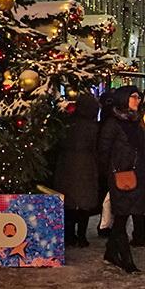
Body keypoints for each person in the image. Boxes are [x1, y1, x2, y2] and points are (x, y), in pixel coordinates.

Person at [98, 85, 145, 273]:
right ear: (124, 99)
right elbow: (103, 152)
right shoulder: (113, 124)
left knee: (122, 217)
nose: (138, 100)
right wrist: (113, 171)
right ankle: (127, 261)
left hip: (138, 176)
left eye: (138, 97)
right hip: (121, 177)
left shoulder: (137, 122)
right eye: (134, 97)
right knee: (122, 216)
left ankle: (110, 252)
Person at [53, 91, 103, 248]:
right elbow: (96, 148)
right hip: (86, 164)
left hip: (66, 163)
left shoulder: (68, 123)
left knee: (68, 201)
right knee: (84, 202)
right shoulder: (93, 127)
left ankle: (69, 234)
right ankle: (82, 236)